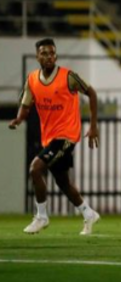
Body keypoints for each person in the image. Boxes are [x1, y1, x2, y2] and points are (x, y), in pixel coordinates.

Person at [9, 38, 100, 235]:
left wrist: (93, 126)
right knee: (63, 183)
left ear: (56, 55)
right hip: (50, 138)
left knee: (35, 168)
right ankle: (88, 213)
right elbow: (25, 105)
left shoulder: (68, 77)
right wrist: (18, 119)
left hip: (67, 135)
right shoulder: (32, 79)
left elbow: (92, 94)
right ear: (37, 56)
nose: (49, 57)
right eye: (44, 53)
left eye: (52, 53)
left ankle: (41, 216)